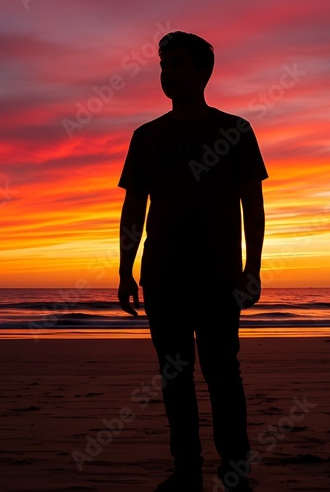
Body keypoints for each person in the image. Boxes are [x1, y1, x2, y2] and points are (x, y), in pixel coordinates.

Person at [116, 30, 268, 492]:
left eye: (177, 63)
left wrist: (253, 268)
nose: (168, 72)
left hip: (219, 273)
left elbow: (253, 206)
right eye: (163, 65)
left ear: (203, 71)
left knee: (223, 372)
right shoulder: (147, 136)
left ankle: (234, 467)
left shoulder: (234, 130)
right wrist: (125, 268)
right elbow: (133, 208)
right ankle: (186, 469)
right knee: (174, 376)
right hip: (162, 273)